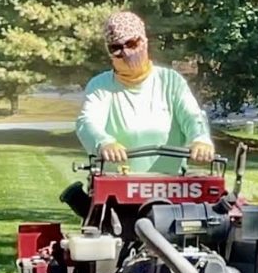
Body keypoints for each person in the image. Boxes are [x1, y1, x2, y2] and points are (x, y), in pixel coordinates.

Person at [75, 11, 215, 174]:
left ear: (145, 42)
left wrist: (200, 140)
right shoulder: (100, 86)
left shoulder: (171, 81)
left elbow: (192, 116)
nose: (125, 53)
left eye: (131, 44)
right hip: (116, 182)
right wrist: (104, 143)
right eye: (116, 48)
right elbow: (87, 122)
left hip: (172, 184)